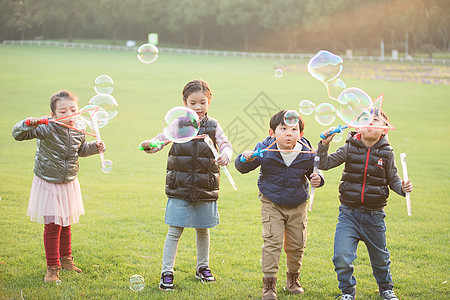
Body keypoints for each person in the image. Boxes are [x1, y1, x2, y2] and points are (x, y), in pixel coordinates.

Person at [139, 79, 233, 291]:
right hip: (179, 186)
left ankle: (203, 267)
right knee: (175, 230)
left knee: (203, 230)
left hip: (205, 186)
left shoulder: (213, 125)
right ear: (184, 103)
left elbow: (225, 144)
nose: (198, 107)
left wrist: (226, 155)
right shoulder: (179, 124)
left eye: (202, 102)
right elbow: (161, 140)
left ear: (209, 101)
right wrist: (150, 145)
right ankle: (167, 272)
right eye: (193, 103)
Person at [317, 109, 413, 300]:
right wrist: (324, 145)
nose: (370, 122)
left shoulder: (386, 153)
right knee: (341, 257)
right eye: (365, 119)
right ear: (358, 126)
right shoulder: (349, 148)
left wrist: (402, 187)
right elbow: (325, 163)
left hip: (374, 216)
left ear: (384, 130)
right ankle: (347, 291)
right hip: (348, 214)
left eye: (375, 120)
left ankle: (386, 288)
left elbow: (393, 179)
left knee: (380, 259)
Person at [12, 90, 105, 283]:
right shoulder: (46, 127)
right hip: (48, 182)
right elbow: (17, 135)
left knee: (66, 223)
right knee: (53, 225)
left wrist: (95, 147)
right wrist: (28, 123)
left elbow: (80, 151)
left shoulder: (79, 126)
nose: (69, 114)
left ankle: (66, 260)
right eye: (62, 111)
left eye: (73, 109)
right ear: (53, 115)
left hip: (68, 182)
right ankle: (52, 269)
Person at [234, 110, 324, 300]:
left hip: (297, 203)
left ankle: (293, 278)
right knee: (272, 241)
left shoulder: (308, 153)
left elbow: (315, 172)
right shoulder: (265, 150)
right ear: (272, 132)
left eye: (294, 129)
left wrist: (319, 179)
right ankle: (269, 284)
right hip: (271, 202)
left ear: (300, 134)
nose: (288, 133)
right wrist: (244, 158)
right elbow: (243, 167)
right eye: (283, 128)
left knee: (297, 243)